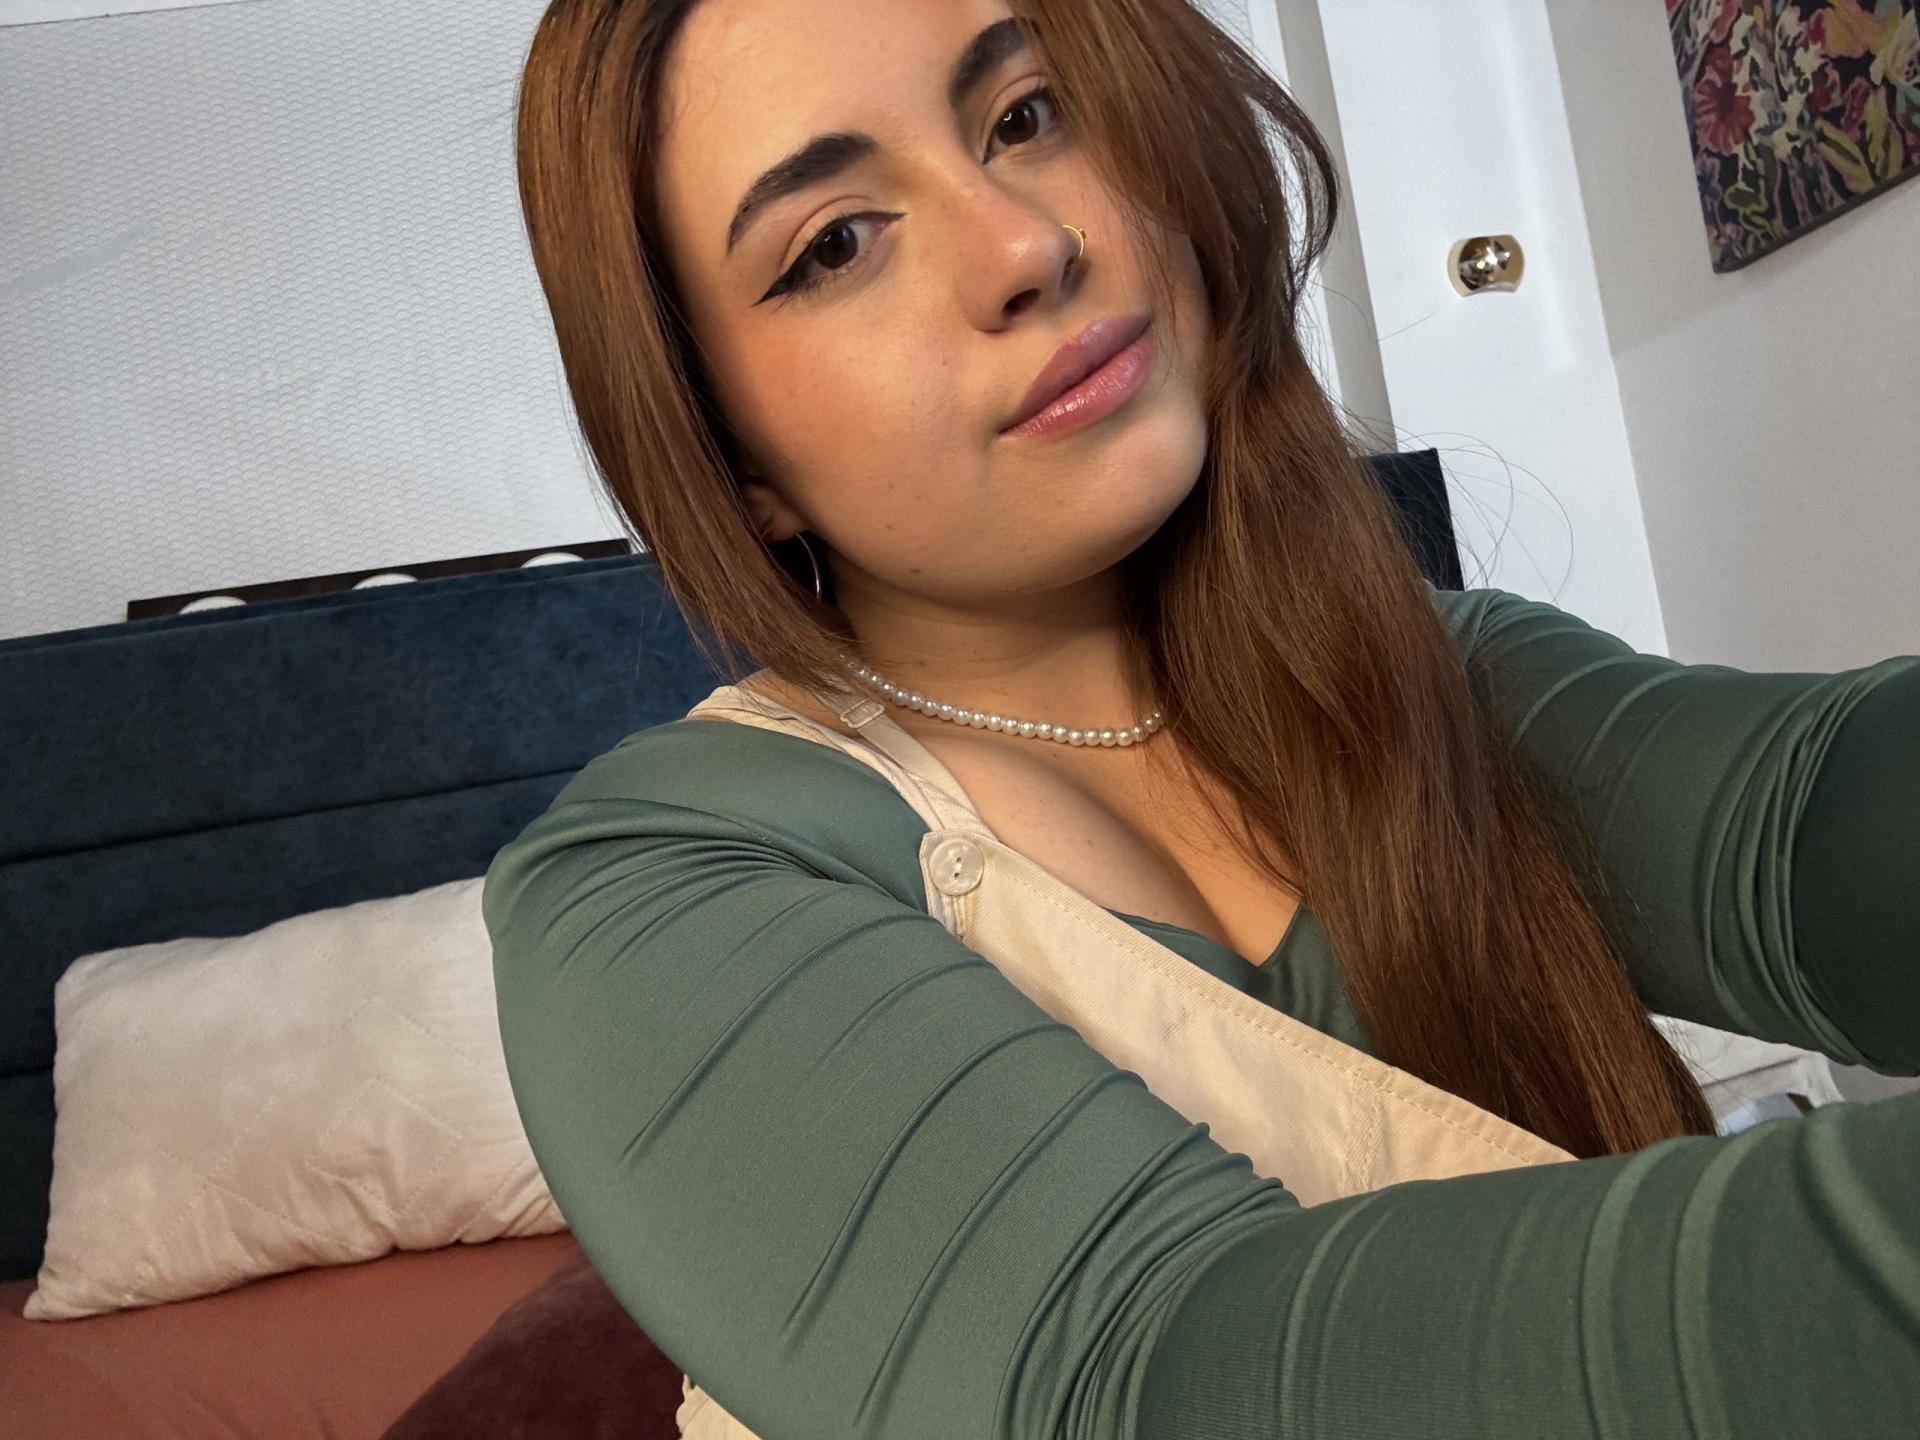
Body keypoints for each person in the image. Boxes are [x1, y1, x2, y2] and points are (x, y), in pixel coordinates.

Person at [486, 0, 1920, 1434]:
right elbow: (1156, 1374)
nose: (1027, 245)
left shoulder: (1425, 666)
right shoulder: (647, 893)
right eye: (838, 244)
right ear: (728, 455)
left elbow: (1808, 821)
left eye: (1026, 117)